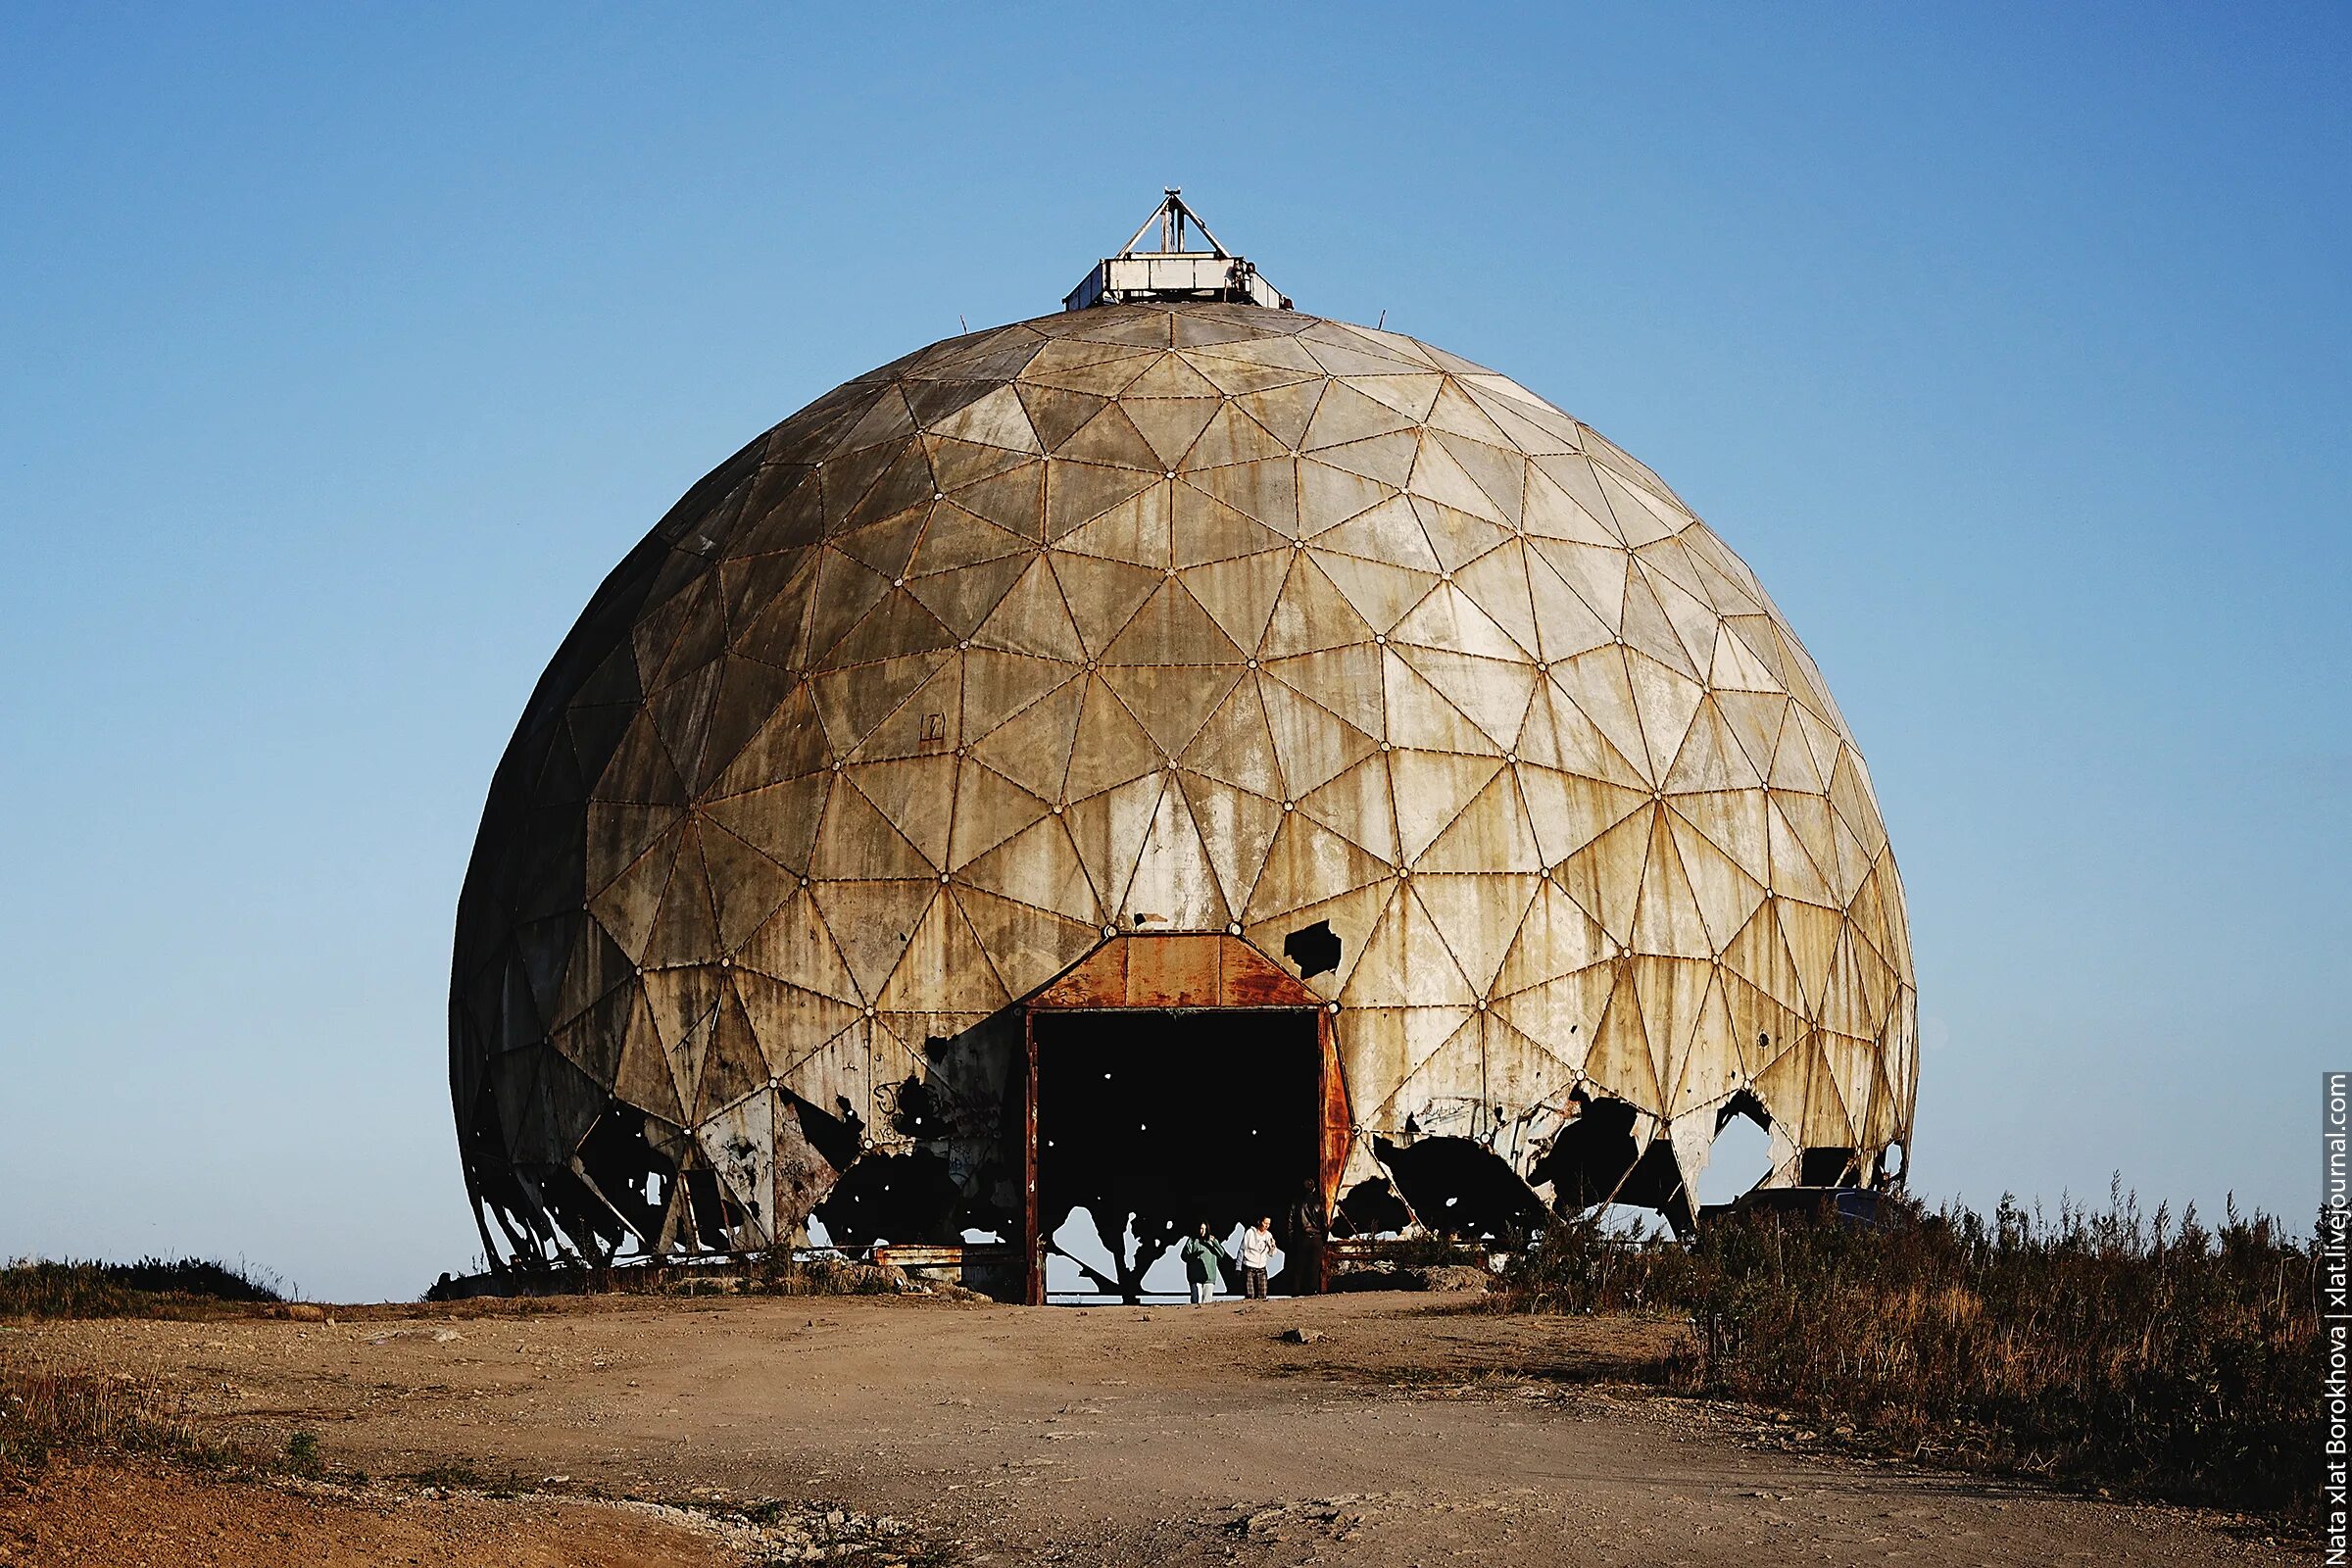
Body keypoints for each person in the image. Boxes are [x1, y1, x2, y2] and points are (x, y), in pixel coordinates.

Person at [1178, 1222, 1228, 1305]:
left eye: (1204, 1229)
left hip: (1209, 1277)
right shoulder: (1192, 1241)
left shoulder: (1212, 1242)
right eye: (1201, 1228)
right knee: (1196, 1301)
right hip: (1195, 1276)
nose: (1202, 1231)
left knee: (1207, 1302)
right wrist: (1194, 1256)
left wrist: (1214, 1242)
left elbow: (1221, 1254)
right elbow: (1184, 1256)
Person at [1237, 1215, 1279, 1300]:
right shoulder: (1249, 1233)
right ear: (1260, 1222)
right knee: (1250, 1294)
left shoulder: (1268, 1235)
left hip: (1261, 1268)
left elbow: (1272, 1254)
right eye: (1265, 1223)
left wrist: (1272, 1247)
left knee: (1262, 1295)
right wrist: (1238, 1266)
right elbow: (1242, 1249)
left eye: (1269, 1224)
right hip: (1249, 1266)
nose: (1267, 1226)